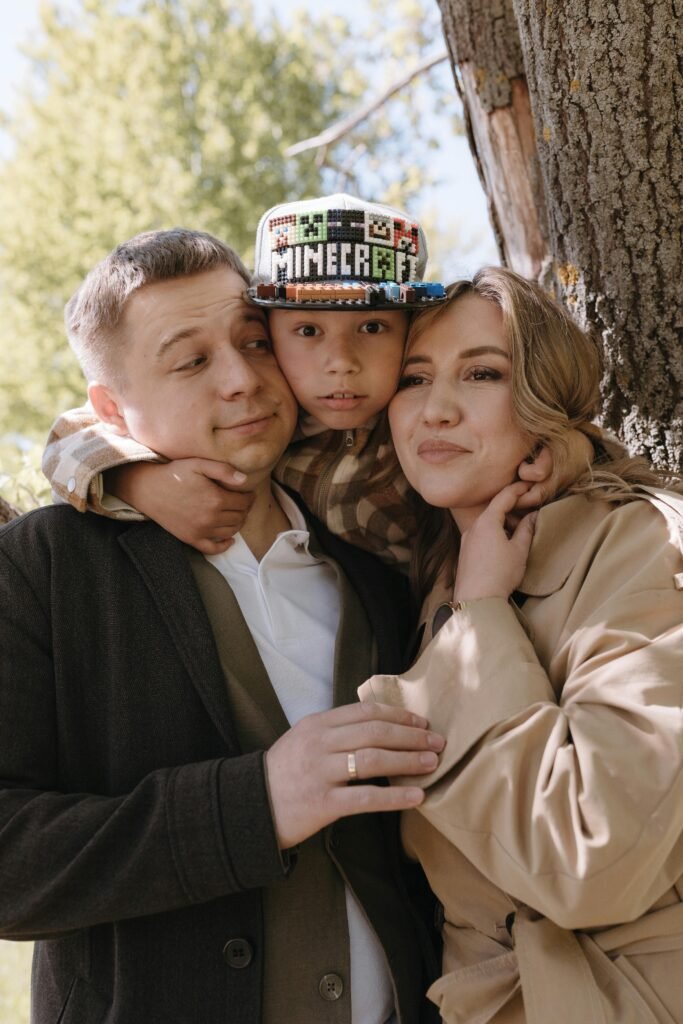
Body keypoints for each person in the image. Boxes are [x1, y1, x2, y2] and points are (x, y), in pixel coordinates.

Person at [0, 228, 448, 1024]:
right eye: (191, 360)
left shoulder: (379, 561)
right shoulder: (39, 569)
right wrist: (255, 804)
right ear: (111, 409)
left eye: (252, 340)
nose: (243, 378)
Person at [358, 266, 683, 1023]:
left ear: (543, 398)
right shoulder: (422, 569)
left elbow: (590, 857)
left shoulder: (638, 545)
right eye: (412, 378)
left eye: (481, 373)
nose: (433, 409)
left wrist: (481, 615)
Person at [42, 194, 559, 565]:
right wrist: (138, 481)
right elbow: (74, 434)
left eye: (373, 327)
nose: (341, 363)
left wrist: (566, 453)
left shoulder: (421, 413)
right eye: (307, 330)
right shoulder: (274, 420)